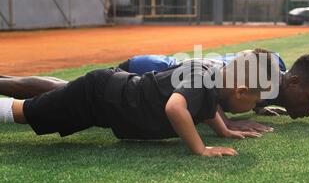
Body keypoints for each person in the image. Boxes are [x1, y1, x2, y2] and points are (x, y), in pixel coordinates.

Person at [0, 50, 278, 157]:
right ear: (241, 92)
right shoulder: (203, 79)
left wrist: (224, 131)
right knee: (25, 112)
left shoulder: (213, 82)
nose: (256, 105)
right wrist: (201, 148)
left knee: (33, 111)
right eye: (257, 99)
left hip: (107, 100)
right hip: (98, 95)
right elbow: (175, 108)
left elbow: (205, 108)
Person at [0, 53, 309, 129]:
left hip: (182, 74)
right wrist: (225, 124)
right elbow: (214, 89)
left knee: (73, 92)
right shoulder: (258, 75)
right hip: (158, 70)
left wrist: (259, 109)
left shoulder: (268, 85)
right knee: (71, 90)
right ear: (291, 82)